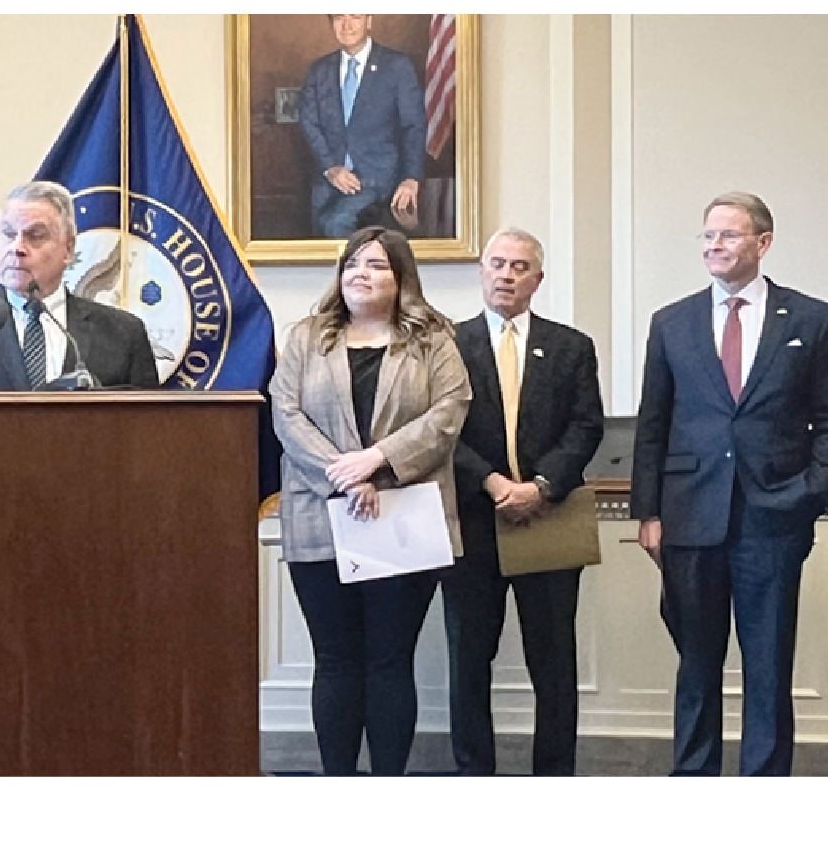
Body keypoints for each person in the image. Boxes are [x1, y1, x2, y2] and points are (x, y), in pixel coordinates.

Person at [632, 191, 828, 776]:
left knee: (769, 664)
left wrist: (808, 493)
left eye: (730, 235)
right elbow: (653, 423)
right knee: (696, 662)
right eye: (709, 235)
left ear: (763, 243)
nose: (715, 245)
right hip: (690, 516)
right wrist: (649, 512)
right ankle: (695, 781)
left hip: (774, 517)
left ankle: (763, 789)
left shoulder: (812, 319)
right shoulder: (672, 322)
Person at [272, 225, 470, 776]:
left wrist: (377, 460)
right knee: (335, 659)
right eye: (353, 263)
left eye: (377, 265)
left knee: (389, 660)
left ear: (402, 278)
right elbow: (285, 413)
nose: (361, 273)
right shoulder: (307, 336)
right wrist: (343, 473)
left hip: (402, 514)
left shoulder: (434, 340)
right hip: (320, 513)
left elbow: (449, 413)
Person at [442, 228, 604, 776]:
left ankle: (554, 778)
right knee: (468, 662)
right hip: (471, 520)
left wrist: (542, 485)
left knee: (554, 663)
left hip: (548, 517)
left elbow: (586, 426)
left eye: (519, 267)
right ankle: (474, 776)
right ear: (481, 271)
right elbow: (440, 430)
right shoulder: (447, 345)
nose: (506, 275)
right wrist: (492, 483)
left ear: (538, 279)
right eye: (497, 264)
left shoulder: (571, 346)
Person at [0, 181, 158, 392]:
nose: (17, 247)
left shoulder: (123, 334)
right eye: (8, 234)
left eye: (35, 236)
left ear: (68, 249)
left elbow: (149, 426)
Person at [297, 15, 427, 239]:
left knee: (337, 226)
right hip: (328, 184)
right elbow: (309, 122)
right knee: (319, 246)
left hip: (377, 183)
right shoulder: (319, 70)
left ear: (369, 21)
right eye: (339, 17)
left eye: (355, 17)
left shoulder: (396, 66)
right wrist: (330, 168)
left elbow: (413, 126)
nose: (347, 25)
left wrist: (411, 178)